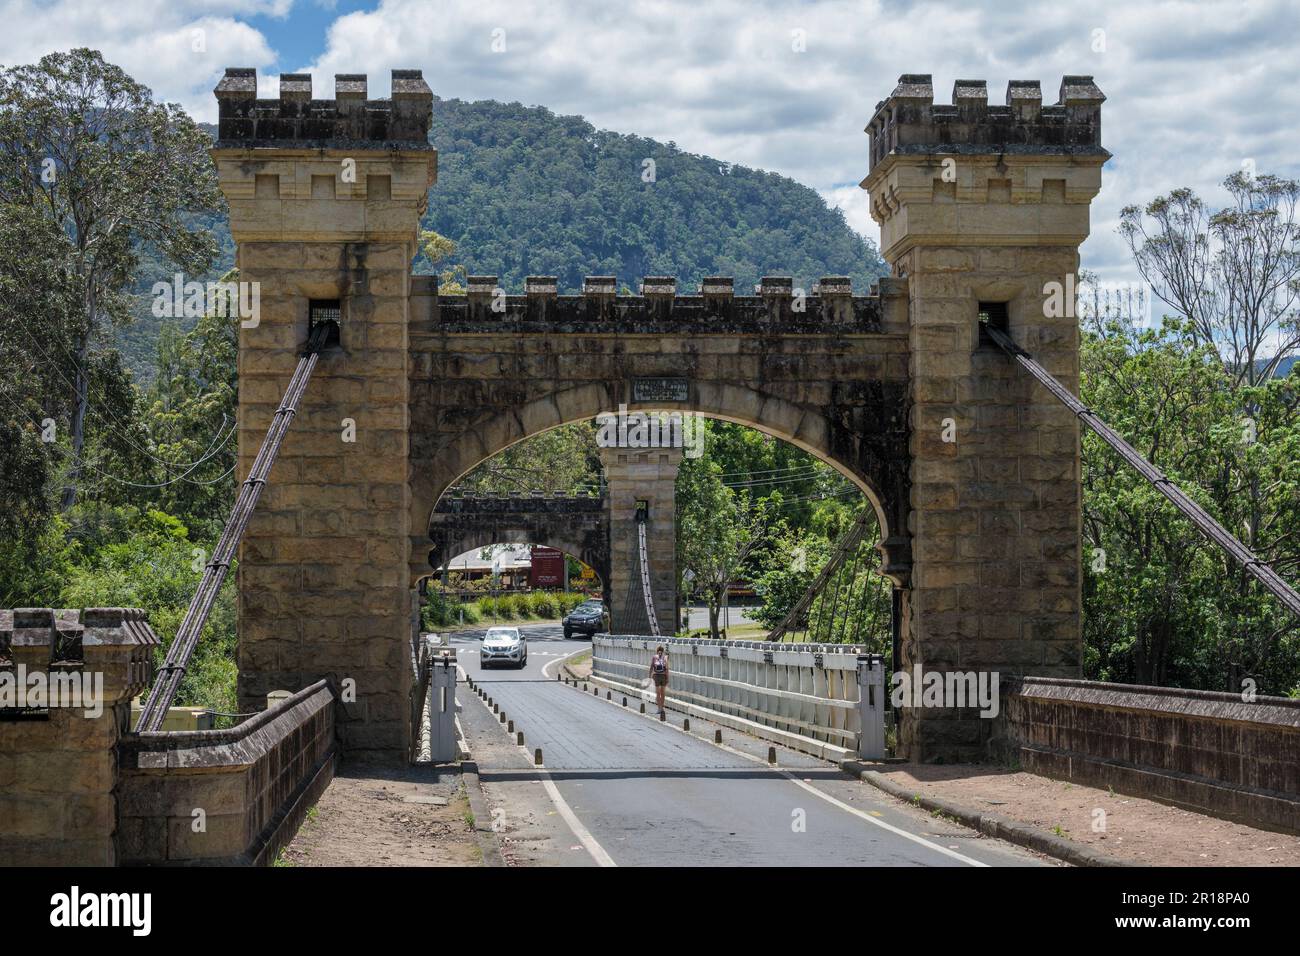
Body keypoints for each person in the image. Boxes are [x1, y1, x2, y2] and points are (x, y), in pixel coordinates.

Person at [649, 645, 669, 719]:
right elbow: (667, 668)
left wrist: (649, 676)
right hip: (663, 676)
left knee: (658, 693)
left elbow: (651, 667)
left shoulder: (654, 657)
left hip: (656, 676)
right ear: (663, 651)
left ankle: (659, 708)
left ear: (657, 651)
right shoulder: (665, 657)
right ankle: (662, 708)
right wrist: (667, 678)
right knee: (662, 693)